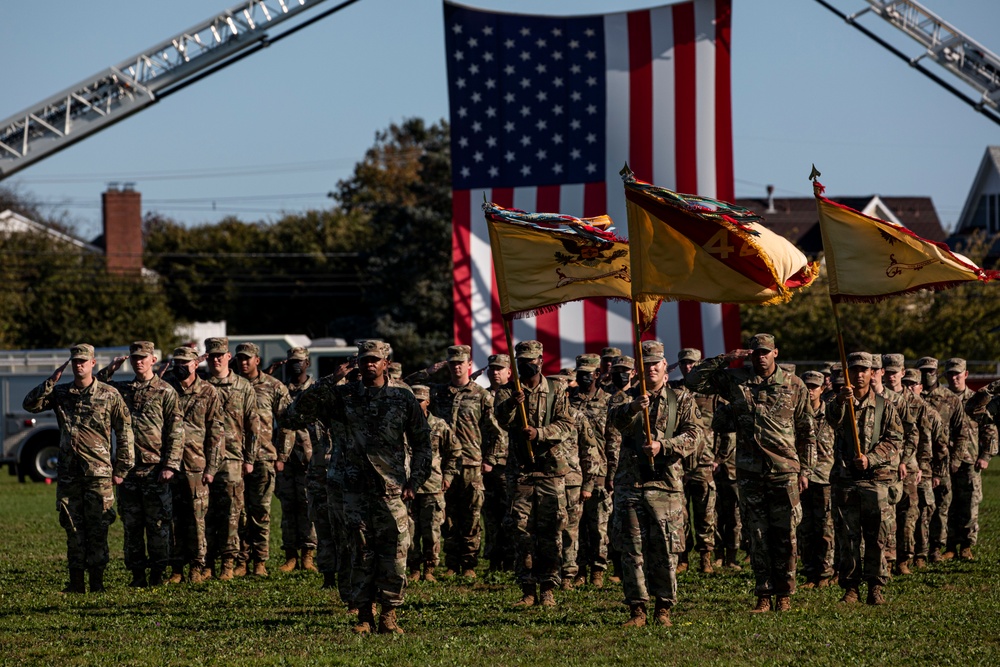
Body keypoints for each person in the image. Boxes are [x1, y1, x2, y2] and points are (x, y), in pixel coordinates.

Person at [286, 339, 432, 635]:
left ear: (385, 363)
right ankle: (364, 614)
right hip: (351, 490)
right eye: (364, 359)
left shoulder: (401, 397)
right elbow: (295, 415)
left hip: (390, 489)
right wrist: (330, 379)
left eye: (375, 359)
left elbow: (422, 442)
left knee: (395, 553)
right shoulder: (342, 396)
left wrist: (415, 481)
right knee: (358, 552)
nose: (369, 364)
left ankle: (389, 614)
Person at [685, 333, 815, 613]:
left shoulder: (794, 385)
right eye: (756, 352)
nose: (761, 356)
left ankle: (784, 595)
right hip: (749, 472)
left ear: (776, 353)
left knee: (785, 535)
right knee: (757, 535)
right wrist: (726, 358)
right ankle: (763, 595)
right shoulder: (737, 380)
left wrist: (806, 470)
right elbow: (693, 381)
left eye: (766, 352)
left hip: (784, 471)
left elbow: (807, 431)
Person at [23, 344, 134, 594]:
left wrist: (122, 467)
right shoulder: (61, 393)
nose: (79, 365)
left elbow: (124, 431)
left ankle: (97, 582)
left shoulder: (109, 394)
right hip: (69, 474)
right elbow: (29, 404)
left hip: (99, 474)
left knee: (98, 527)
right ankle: (76, 583)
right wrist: (51, 381)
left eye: (84, 361)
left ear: (93, 363)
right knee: (72, 526)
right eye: (75, 361)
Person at [608, 340, 699, 627]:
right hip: (631, 484)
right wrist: (634, 406)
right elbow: (612, 421)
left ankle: (663, 608)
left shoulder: (681, 399)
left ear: (665, 368)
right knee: (631, 549)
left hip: (665, 485)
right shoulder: (624, 398)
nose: (651, 369)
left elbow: (695, 435)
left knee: (665, 547)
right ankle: (637, 610)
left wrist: (665, 445)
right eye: (646, 365)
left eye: (656, 364)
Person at [495, 340, 575, 608]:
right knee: (521, 529)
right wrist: (511, 405)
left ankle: (548, 587)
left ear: (541, 360)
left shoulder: (556, 388)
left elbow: (566, 424)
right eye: (521, 361)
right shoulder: (508, 390)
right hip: (521, 471)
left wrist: (540, 433)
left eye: (531, 360)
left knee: (551, 528)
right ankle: (528, 587)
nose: (527, 365)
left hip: (551, 470)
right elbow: (500, 420)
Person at [97, 341, 184, 588]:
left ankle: (157, 573)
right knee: (132, 526)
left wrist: (170, 465)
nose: (139, 362)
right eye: (135, 358)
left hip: (155, 469)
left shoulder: (166, 391)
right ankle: (137, 575)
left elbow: (176, 431)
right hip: (128, 470)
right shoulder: (122, 390)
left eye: (143, 357)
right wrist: (111, 368)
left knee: (158, 525)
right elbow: (97, 386)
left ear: (153, 359)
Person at [416, 345, 501, 578]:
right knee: (448, 518)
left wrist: (490, 459)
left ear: (469, 365)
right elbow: (402, 384)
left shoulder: (481, 395)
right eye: (452, 363)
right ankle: (452, 563)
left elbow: (496, 431)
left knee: (472, 516)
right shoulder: (437, 393)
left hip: (472, 464)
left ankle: (469, 565)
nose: (456, 367)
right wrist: (428, 372)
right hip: (442, 466)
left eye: (460, 363)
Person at [827, 352, 903, 605]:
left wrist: (872, 458)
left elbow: (895, 440)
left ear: (873, 373)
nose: (859, 374)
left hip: (876, 481)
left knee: (877, 536)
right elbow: (831, 420)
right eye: (855, 370)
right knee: (848, 537)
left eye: (864, 370)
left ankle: (875, 585)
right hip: (846, 480)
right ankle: (850, 588)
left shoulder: (884, 406)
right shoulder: (838, 402)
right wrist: (840, 400)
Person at [164, 346, 225, 584]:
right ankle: (176, 568)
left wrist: (211, 468)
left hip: (196, 465)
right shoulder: (167, 389)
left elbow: (216, 433)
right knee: (174, 520)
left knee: (198, 520)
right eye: (176, 363)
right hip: (170, 464)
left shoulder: (208, 391)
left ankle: (197, 568)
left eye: (184, 363)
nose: (180, 367)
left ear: (195, 364)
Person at [233, 342, 294, 577]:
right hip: (235, 459)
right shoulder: (232, 385)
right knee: (238, 513)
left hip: (263, 458)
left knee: (260, 512)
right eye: (240, 358)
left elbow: (287, 423)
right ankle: (241, 560)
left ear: (257, 360)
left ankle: (260, 561)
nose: (244, 362)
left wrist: (282, 455)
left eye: (248, 358)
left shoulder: (274, 387)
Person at [204, 337, 260, 580]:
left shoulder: (242, 386)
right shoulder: (201, 385)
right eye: (212, 355)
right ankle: (206, 563)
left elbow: (253, 425)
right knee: (204, 514)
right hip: (202, 460)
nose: (216, 359)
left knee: (232, 513)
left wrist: (250, 458)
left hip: (232, 459)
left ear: (229, 357)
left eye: (221, 355)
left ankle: (229, 561)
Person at [942, 358, 997, 560]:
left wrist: (985, 455)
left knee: (970, 504)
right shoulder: (942, 399)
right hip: (945, 459)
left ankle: (966, 546)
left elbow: (990, 429)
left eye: (958, 373)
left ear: (966, 375)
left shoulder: (977, 400)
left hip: (970, 460)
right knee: (947, 504)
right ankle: (949, 546)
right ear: (946, 376)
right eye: (950, 374)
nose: (954, 377)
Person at [671, 348, 718, 575]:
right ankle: (682, 557)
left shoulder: (711, 392)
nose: (688, 367)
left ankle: (706, 556)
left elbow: (725, 428)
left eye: (692, 364)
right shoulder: (673, 392)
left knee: (705, 512)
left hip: (704, 462)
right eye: (684, 364)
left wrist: (720, 457)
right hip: (678, 461)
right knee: (679, 513)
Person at [564, 353, 609, 588]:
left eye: (588, 373)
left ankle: (598, 569)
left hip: (600, 471)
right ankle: (579, 568)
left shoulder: (609, 401)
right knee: (575, 525)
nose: (584, 377)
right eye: (580, 373)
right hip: (573, 471)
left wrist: (611, 473)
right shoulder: (568, 401)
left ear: (598, 374)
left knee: (598, 524)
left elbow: (614, 440)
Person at [407, 385, 460, 581]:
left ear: (428, 402)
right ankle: (413, 568)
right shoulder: (403, 424)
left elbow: (454, 451)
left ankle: (429, 569)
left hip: (432, 486)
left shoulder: (439, 425)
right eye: (414, 400)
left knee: (432, 530)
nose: (417, 404)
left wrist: (448, 476)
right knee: (410, 532)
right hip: (408, 486)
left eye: (420, 400)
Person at [277, 347, 320, 573]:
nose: (296, 365)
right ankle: (290, 555)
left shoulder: (316, 389)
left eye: (300, 361)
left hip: (310, 457)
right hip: (284, 458)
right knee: (287, 506)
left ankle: (308, 554)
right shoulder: (280, 389)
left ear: (308, 363)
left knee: (307, 505)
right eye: (292, 361)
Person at [900, 368, 947, 569]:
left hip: (926, 471)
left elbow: (941, 444)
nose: (910, 388)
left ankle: (921, 553)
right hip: (906, 468)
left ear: (921, 387)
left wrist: (938, 472)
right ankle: (905, 555)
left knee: (925, 512)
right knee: (906, 513)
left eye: (914, 384)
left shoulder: (929, 412)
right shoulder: (897, 406)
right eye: (907, 384)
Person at [798, 370, 836, 588]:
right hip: (802, 477)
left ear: (823, 389)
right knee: (805, 528)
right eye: (807, 386)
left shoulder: (831, 413)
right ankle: (810, 572)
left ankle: (825, 573)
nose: (810, 390)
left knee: (825, 528)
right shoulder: (797, 413)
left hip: (825, 477)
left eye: (815, 386)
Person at [482, 353, 513, 572]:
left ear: (509, 372)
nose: (495, 372)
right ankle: (494, 559)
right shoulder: (481, 396)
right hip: (485, 464)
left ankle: (511, 559)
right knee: (490, 515)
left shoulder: (516, 395)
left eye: (500, 368)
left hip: (508, 463)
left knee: (511, 513)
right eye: (492, 368)